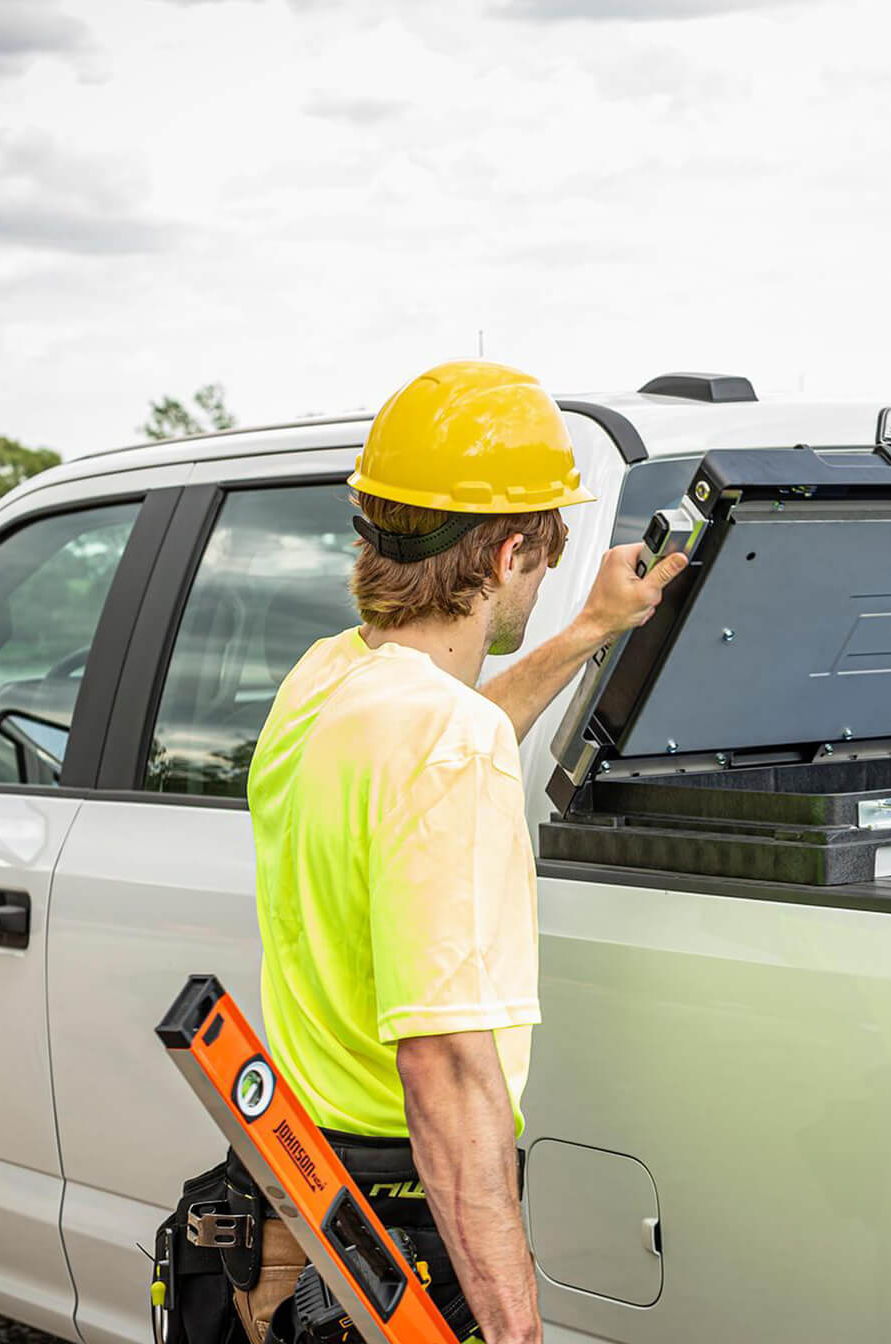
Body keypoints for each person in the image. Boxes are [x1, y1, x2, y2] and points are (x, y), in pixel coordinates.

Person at [235, 360, 686, 1344]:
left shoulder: (328, 679)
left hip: (306, 1187)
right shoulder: (441, 743)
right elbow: (443, 1066)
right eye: (545, 551)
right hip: (396, 1232)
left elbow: (443, 734)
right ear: (512, 548)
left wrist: (588, 632)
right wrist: (514, 1329)